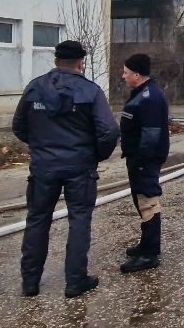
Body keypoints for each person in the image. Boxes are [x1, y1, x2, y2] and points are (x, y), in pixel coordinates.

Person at [13, 40, 119, 298]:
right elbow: (110, 131)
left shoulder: (34, 87)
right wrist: (95, 155)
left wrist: (41, 146)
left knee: (37, 220)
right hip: (79, 167)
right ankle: (75, 281)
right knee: (79, 220)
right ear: (81, 62)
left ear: (55, 60)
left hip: (43, 167)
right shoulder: (90, 91)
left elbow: (19, 126)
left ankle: (30, 283)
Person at [118, 54, 170, 273]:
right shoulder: (142, 93)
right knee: (142, 201)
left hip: (144, 159)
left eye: (126, 72)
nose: (123, 76)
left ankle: (150, 254)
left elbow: (150, 134)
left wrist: (141, 161)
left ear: (137, 74)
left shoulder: (149, 98)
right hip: (139, 158)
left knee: (148, 201)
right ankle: (146, 244)